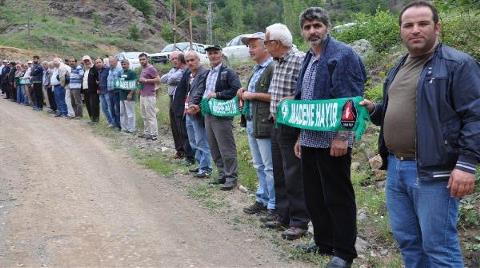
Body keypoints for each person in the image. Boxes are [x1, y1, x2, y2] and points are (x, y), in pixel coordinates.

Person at [360, 1, 479, 267]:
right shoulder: (399, 66)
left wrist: (467, 164)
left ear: (437, 27)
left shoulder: (457, 64)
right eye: (408, 25)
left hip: (434, 172)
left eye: (423, 23)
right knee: (409, 243)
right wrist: (374, 110)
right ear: (401, 30)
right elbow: (402, 112)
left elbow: (475, 116)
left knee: (439, 248)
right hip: (396, 169)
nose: (415, 30)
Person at [293, 7, 367, 268]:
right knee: (314, 194)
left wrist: (342, 136)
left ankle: (344, 252)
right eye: (307, 27)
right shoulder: (308, 57)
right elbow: (303, 100)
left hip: (333, 140)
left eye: (317, 25)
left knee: (337, 195)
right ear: (302, 31)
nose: (313, 31)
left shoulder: (343, 55)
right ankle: (323, 242)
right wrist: (301, 136)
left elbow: (351, 100)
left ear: (327, 27)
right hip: (310, 138)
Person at [262, 23, 310, 240]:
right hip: (276, 123)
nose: (265, 46)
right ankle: (283, 215)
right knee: (280, 172)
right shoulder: (277, 61)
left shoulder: (299, 60)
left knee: (294, 174)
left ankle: (299, 221)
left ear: (277, 43)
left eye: (266, 42)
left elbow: (306, 93)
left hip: (293, 126)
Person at [189, 45, 241, 191]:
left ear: (221, 54)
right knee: (214, 146)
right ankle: (222, 174)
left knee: (226, 146)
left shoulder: (228, 72)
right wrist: (199, 106)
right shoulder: (208, 73)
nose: (213, 56)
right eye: (210, 53)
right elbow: (205, 92)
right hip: (208, 112)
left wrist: (218, 95)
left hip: (222, 113)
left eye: (215, 53)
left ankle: (231, 178)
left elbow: (235, 90)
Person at [237, 33, 276, 215]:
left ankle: (273, 205)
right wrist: (244, 91)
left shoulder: (272, 67)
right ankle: (262, 198)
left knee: (269, 166)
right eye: (249, 47)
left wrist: (252, 95)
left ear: (265, 47)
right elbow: (253, 93)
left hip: (265, 123)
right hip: (252, 122)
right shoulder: (257, 69)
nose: (250, 50)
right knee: (259, 165)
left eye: (253, 46)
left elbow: (276, 97)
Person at [176, 50, 211, 177]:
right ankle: (200, 164)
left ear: (198, 60)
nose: (190, 63)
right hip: (188, 111)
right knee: (193, 141)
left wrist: (193, 105)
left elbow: (200, 91)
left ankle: (206, 168)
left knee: (202, 140)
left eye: (192, 60)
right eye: (187, 61)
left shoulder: (204, 73)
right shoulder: (190, 75)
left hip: (197, 111)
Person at [160, 51, 188, 159]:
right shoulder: (173, 70)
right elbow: (163, 79)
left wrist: (171, 77)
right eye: (172, 59)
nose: (175, 60)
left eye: (177, 58)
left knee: (181, 124)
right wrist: (171, 76)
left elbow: (170, 79)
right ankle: (179, 150)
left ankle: (186, 150)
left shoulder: (183, 70)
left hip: (180, 99)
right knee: (174, 125)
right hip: (171, 98)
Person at [138, 53, 160, 140]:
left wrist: (146, 80)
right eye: (140, 60)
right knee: (144, 115)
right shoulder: (143, 69)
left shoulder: (151, 68)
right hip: (143, 95)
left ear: (147, 59)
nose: (142, 61)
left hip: (150, 95)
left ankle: (154, 134)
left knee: (151, 115)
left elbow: (158, 79)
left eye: (143, 59)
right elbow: (142, 81)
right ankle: (147, 133)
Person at [119, 59, 137, 133]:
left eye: (125, 64)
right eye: (122, 64)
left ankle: (131, 129)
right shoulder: (121, 72)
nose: (123, 66)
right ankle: (124, 128)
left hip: (129, 96)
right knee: (122, 113)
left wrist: (130, 93)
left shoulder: (132, 73)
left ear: (128, 64)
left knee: (130, 112)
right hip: (122, 96)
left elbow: (134, 84)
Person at [96, 58, 114, 126]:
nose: (98, 64)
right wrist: (98, 88)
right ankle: (110, 121)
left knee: (110, 107)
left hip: (107, 91)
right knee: (104, 108)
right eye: (97, 63)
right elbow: (100, 81)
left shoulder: (108, 69)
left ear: (103, 62)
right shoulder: (98, 71)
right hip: (101, 92)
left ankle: (113, 122)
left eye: (99, 62)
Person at [82, 55, 100, 123]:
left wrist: (98, 88)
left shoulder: (94, 68)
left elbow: (98, 79)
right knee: (88, 105)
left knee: (94, 105)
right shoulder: (85, 69)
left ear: (90, 60)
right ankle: (92, 119)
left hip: (93, 90)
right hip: (85, 90)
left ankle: (96, 119)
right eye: (85, 61)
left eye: (88, 60)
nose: (87, 62)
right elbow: (84, 80)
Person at [107, 56, 122, 130]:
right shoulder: (110, 70)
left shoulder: (119, 70)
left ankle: (119, 125)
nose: (110, 63)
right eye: (109, 62)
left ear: (116, 62)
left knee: (117, 109)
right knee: (111, 108)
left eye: (112, 62)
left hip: (116, 91)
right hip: (110, 91)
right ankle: (114, 123)